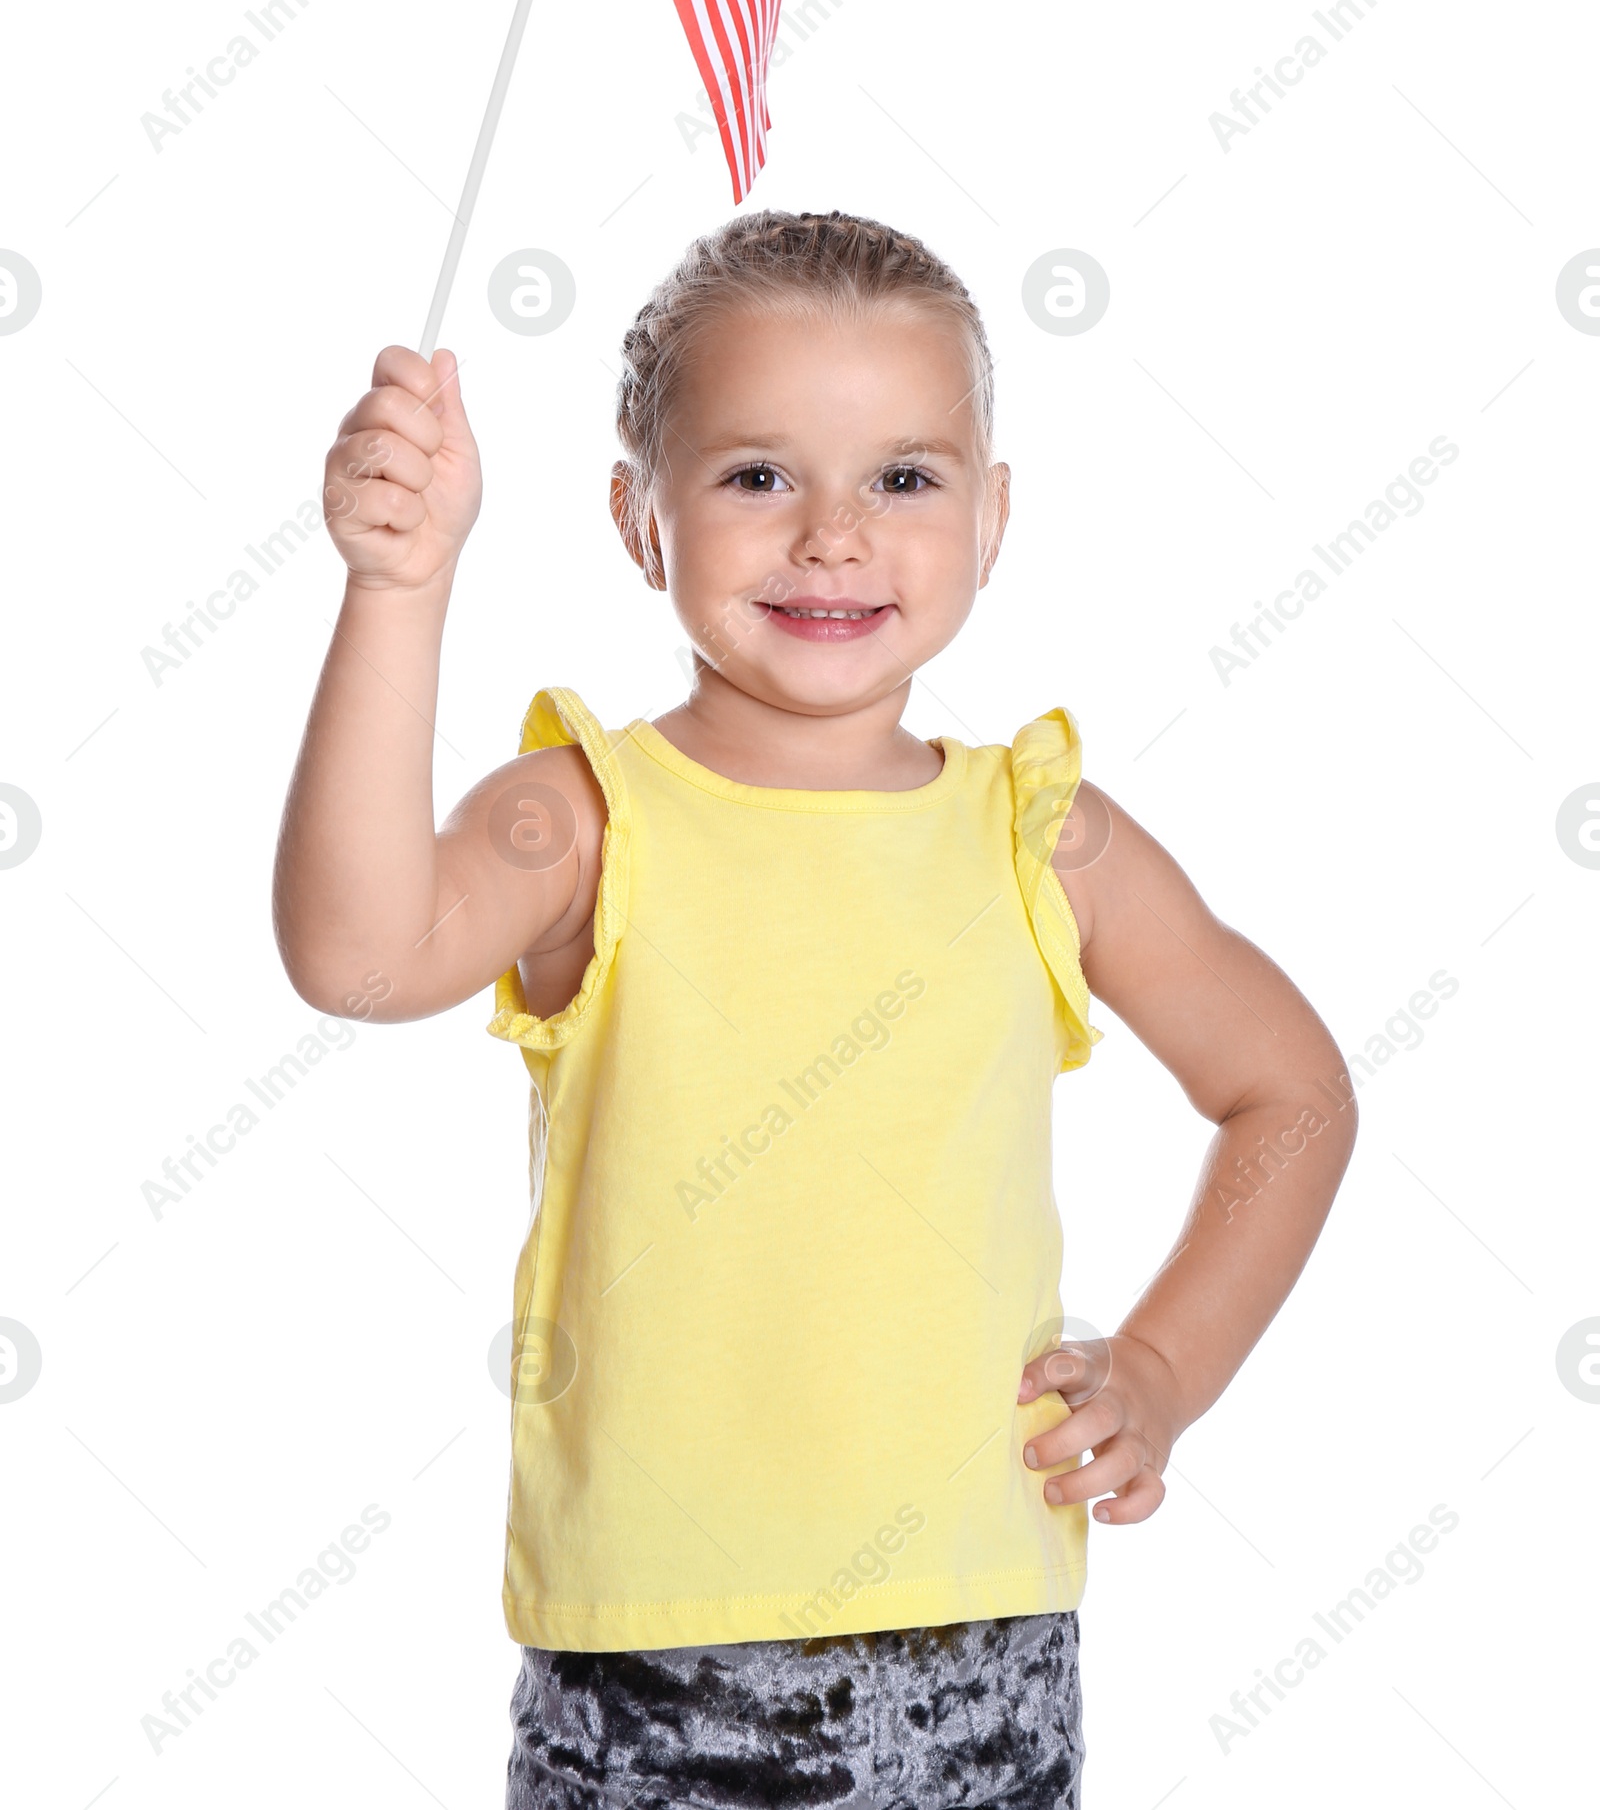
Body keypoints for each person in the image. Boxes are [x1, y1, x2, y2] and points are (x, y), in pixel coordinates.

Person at [273, 206, 1358, 1809]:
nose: (835, 534)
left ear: (992, 519)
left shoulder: (1044, 833)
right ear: (643, 521)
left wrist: (1166, 1373)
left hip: (985, 1649)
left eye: (904, 479)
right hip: (653, 1669)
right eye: (759, 475)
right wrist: (401, 590)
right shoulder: (584, 818)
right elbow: (354, 958)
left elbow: (1294, 1094)